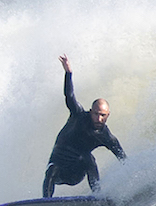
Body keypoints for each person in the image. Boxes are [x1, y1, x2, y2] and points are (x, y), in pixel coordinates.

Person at [42, 55, 125, 198]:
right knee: (52, 169)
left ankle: (97, 197)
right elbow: (69, 96)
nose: (99, 118)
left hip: (76, 173)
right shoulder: (78, 115)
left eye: (103, 115)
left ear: (108, 115)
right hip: (59, 169)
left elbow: (123, 159)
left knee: (89, 158)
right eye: (96, 114)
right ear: (90, 111)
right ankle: (45, 203)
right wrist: (68, 73)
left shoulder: (105, 136)